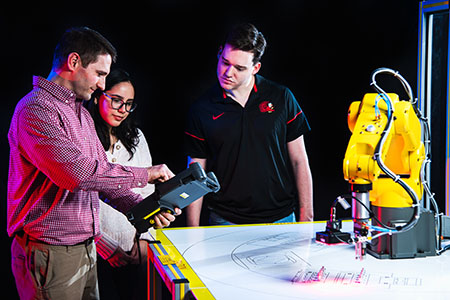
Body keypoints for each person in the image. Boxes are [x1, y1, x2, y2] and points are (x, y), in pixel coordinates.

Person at [7, 27, 179, 300]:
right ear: (74, 62)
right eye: (99, 74)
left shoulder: (82, 115)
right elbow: (77, 175)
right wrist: (145, 174)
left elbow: (103, 179)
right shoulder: (35, 109)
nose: (102, 85)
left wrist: (143, 208)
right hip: (51, 253)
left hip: (85, 249)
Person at [184, 23, 313, 226]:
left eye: (239, 68)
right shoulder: (201, 109)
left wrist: (307, 218)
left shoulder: (281, 97)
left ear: (255, 68)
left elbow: (299, 161)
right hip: (225, 221)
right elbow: (195, 172)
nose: (228, 72)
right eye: (225, 62)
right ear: (219, 53)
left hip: (281, 219)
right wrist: (192, 230)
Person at [85, 68, 154, 299]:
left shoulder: (136, 137)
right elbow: (81, 199)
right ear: (97, 97)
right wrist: (105, 247)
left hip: (134, 248)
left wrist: (146, 240)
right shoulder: (85, 137)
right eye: (116, 101)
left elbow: (146, 191)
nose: (123, 110)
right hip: (94, 250)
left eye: (129, 104)